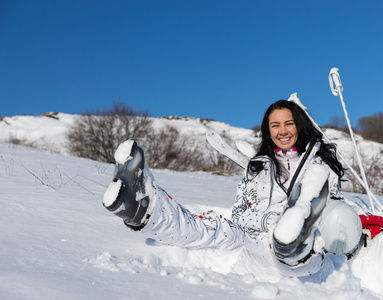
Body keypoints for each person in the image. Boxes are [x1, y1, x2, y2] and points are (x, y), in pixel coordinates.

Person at [103, 100, 366, 277]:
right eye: (275, 125)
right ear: (268, 131)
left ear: (299, 125)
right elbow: (240, 214)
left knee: (300, 241)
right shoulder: (257, 168)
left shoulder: (321, 166)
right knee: (214, 229)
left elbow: (334, 213)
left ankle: (293, 239)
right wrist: (271, 220)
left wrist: (295, 226)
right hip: (258, 237)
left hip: (311, 248)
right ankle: (142, 207)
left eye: (289, 123)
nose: (282, 131)